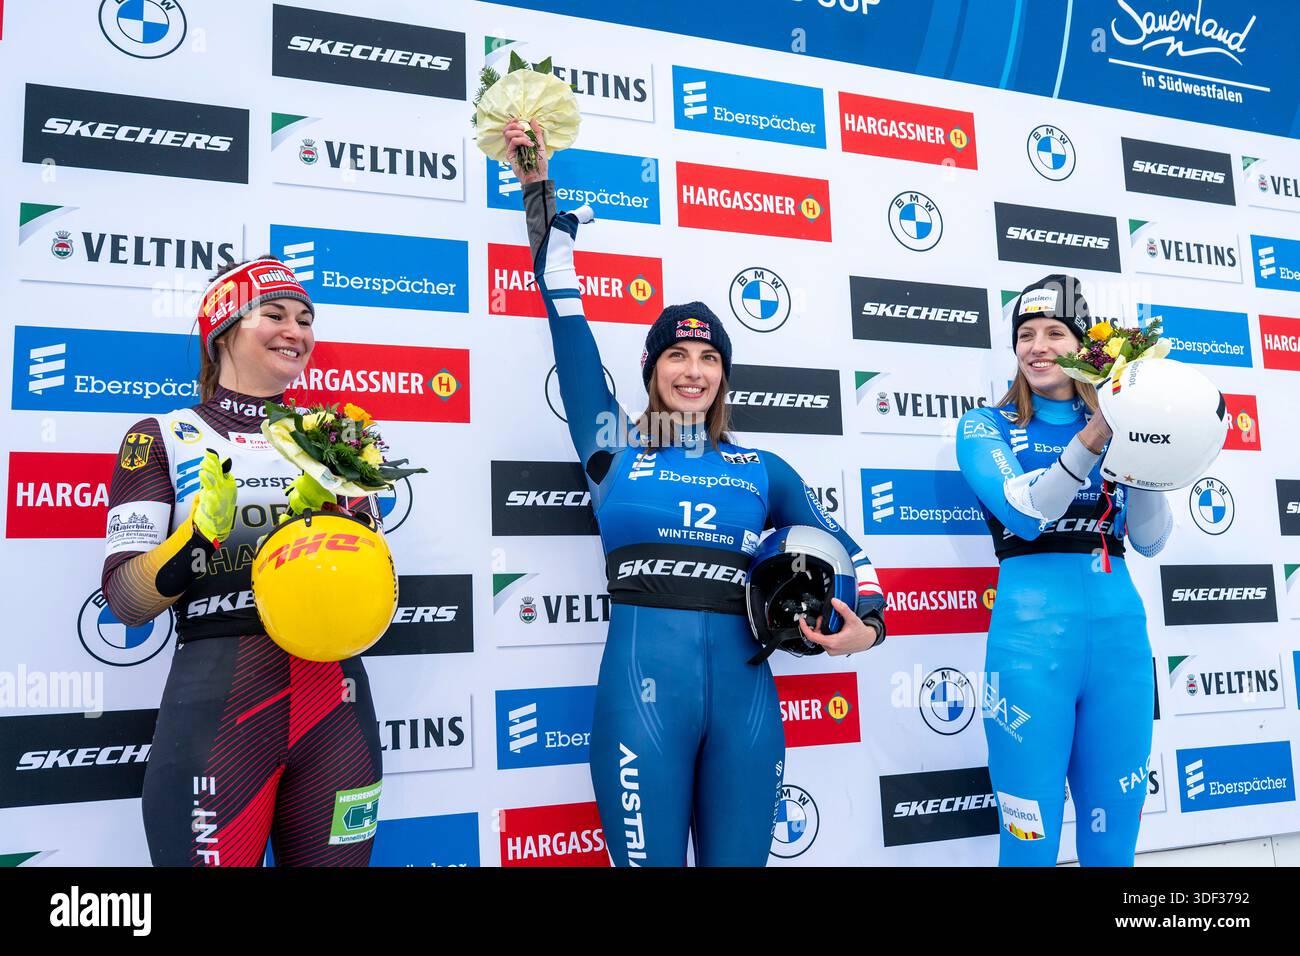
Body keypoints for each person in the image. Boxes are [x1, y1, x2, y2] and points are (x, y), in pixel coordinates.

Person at [504, 119, 887, 866]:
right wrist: (535, 189)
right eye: (675, 354)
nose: (692, 370)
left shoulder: (762, 469)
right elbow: (565, 317)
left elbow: (853, 557)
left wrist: (865, 627)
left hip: (747, 710)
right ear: (651, 370)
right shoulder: (612, 446)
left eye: (709, 357)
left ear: (724, 376)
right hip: (640, 707)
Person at [101, 258, 383, 866]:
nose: (297, 331)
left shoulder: (339, 438)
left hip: (335, 703)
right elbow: (126, 601)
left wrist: (340, 514)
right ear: (222, 331)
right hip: (220, 710)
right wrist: (197, 537)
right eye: (275, 314)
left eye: (306, 319)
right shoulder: (161, 436)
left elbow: (380, 585)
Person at [956, 275, 1172, 866]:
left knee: (1113, 845)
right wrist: (1095, 436)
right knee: (1029, 846)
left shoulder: (1120, 425)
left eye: (1055, 332)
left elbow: (1150, 539)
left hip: (1120, 646)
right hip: (1029, 648)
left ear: (1083, 349)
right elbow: (1026, 514)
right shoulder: (986, 426)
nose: (1037, 346)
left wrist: (1138, 449)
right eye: (1025, 334)